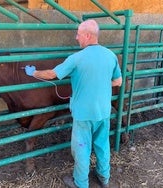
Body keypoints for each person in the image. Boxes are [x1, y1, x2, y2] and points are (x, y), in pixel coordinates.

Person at [24, 19, 122, 188]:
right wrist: (101, 83)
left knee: (82, 149)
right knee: (102, 145)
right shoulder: (110, 55)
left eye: (78, 34)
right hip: (103, 112)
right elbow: (118, 81)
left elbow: (51, 75)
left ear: (88, 35)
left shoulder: (76, 58)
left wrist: (34, 73)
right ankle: (104, 178)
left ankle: (80, 183)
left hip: (83, 115)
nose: (76, 38)